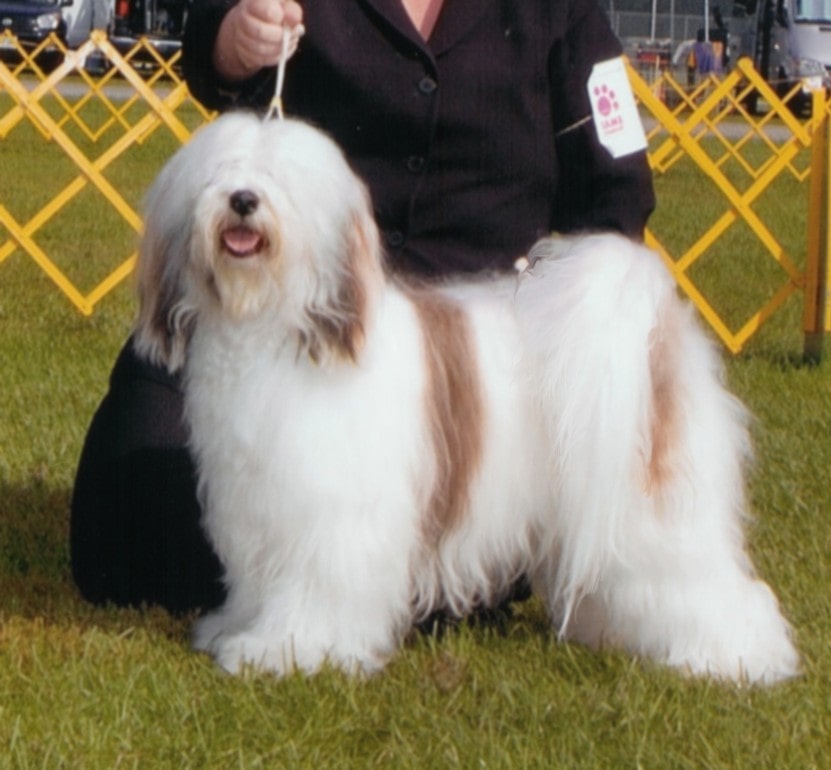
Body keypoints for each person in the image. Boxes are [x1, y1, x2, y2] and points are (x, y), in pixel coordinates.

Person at [69, 0, 655, 614]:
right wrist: (232, 38)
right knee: (126, 528)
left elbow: (616, 192)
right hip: (270, 317)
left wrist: (578, 338)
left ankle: (427, 555)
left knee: (392, 538)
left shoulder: (562, 12)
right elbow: (212, 35)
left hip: (469, 378)